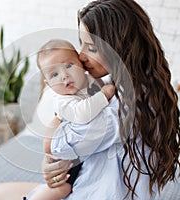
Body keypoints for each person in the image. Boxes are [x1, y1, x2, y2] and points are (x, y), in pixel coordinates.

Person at [0, 0, 180, 199]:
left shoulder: (124, 104)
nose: (81, 56)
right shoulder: (131, 85)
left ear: (119, 48)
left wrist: (53, 136)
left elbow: (60, 144)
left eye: (92, 48)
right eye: (82, 45)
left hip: (92, 193)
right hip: (86, 183)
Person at [28, 39, 115, 200]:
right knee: (61, 189)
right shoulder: (63, 100)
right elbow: (82, 114)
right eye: (54, 74)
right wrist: (104, 95)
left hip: (82, 153)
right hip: (66, 157)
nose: (64, 76)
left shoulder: (92, 81)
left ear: (81, 65)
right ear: (48, 84)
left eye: (69, 66)